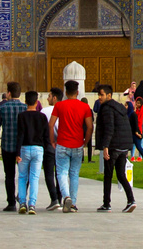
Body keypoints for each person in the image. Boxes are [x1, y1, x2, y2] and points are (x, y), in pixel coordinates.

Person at [50, 80, 95, 212]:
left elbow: (51, 124)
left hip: (63, 143)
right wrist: (85, 141)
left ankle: (66, 196)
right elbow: (90, 126)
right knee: (74, 174)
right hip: (77, 144)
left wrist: (52, 140)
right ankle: (73, 203)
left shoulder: (59, 106)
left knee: (62, 173)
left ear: (65, 92)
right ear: (77, 92)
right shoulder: (84, 107)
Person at [93, 82, 136, 212]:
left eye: (102, 95)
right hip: (123, 146)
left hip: (113, 146)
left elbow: (109, 128)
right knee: (121, 175)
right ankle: (131, 200)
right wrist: (127, 147)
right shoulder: (120, 108)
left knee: (108, 175)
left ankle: (107, 203)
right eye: (99, 95)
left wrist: (105, 146)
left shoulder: (107, 108)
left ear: (109, 95)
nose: (99, 97)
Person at [15, 90, 50, 214]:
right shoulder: (42, 117)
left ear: (25, 102)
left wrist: (17, 153)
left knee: (22, 176)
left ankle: (22, 202)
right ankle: (32, 204)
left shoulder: (21, 116)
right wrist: (47, 149)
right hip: (38, 148)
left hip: (24, 147)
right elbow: (46, 136)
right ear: (37, 102)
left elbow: (20, 135)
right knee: (34, 177)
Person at [0, 83, 25, 211]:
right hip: (22, 147)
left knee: (9, 175)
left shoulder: (2, 108)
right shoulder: (25, 108)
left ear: (9, 93)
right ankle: (21, 197)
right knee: (23, 175)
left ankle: (11, 202)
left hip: (7, 145)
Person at [39, 87, 63, 210]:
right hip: (62, 144)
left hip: (49, 144)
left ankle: (54, 199)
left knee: (49, 173)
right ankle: (59, 198)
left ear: (54, 98)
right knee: (60, 173)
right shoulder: (64, 109)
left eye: (49, 96)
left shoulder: (45, 111)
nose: (47, 98)